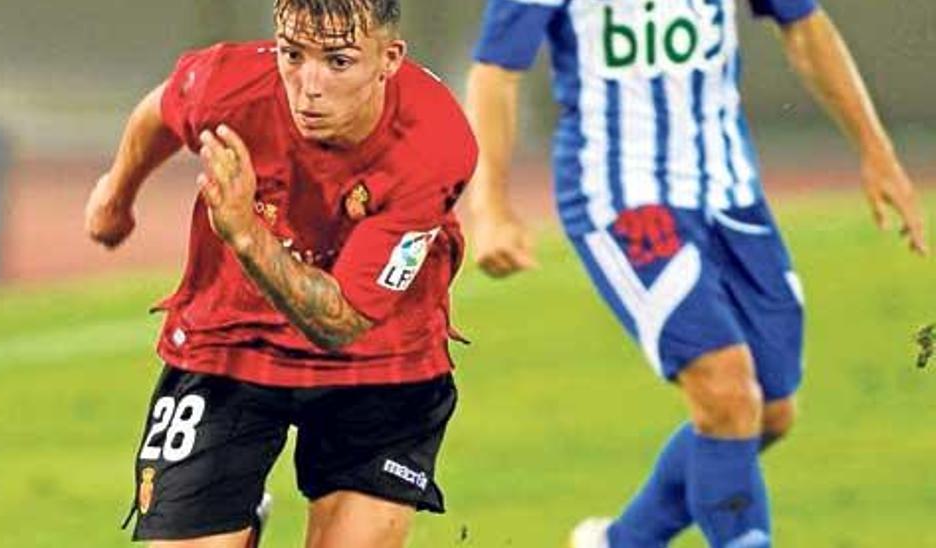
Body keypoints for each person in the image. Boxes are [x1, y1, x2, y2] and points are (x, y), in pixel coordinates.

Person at [464, 0, 927, 546]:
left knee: (771, 411)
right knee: (727, 391)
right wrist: (490, 207)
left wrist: (877, 151)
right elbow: (497, 71)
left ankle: (622, 542)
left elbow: (803, 24)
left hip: (729, 191)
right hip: (619, 196)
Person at [83, 0, 477, 545]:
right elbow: (163, 108)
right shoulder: (231, 81)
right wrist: (116, 193)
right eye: (294, 55)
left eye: (338, 62)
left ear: (389, 59)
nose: (308, 85)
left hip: (381, 361)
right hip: (229, 341)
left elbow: (342, 322)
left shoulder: (433, 141)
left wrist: (245, 233)